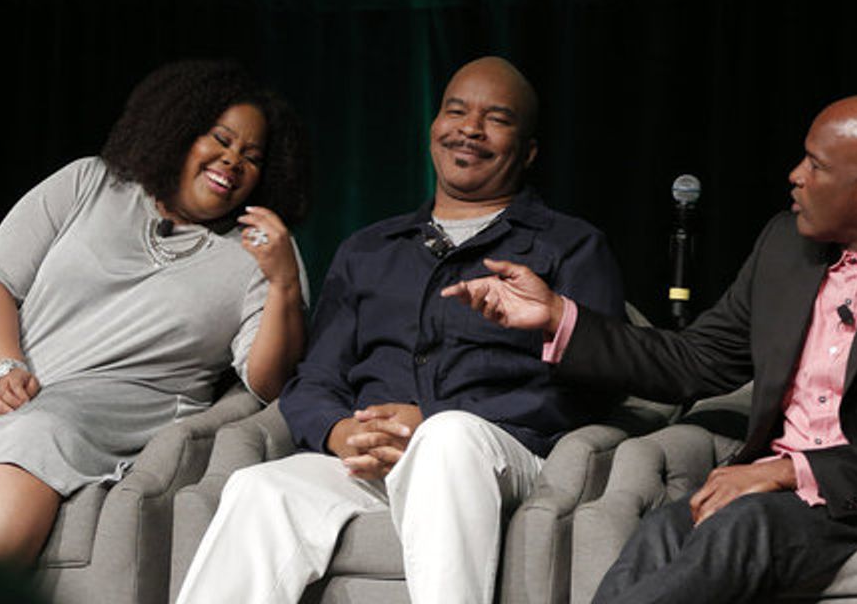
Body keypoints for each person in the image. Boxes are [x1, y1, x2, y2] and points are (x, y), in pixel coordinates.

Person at [444, 94, 857, 604]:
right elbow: (694, 361)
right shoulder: (785, 247)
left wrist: (790, 472)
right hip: (757, 489)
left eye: (815, 165)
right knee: (664, 530)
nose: (795, 176)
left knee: (743, 527)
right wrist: (556, 316)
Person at [176, 56, 625, 604]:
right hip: (375, 460)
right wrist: (341, 432)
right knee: (259, 488)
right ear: (434, 127)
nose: (469, 127)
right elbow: (315, 379)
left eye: (496, 118)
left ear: (527, 151)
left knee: (447, 439)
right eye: (455, 110)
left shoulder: (571, 246)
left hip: (503, 454)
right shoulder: (369, 250)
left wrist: (430, 421)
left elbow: (598, 383)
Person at [0, 58, 311, 564]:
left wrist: (282, 284)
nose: (232, 160)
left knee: (35, 435)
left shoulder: (261, 250)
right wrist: (5, 366)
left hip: (104, 412)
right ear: (179, 130)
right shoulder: (89, 182)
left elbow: (267, 382)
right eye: (220, 138)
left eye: (252, 157)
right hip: (9, 383)